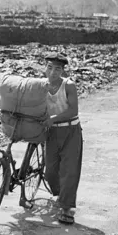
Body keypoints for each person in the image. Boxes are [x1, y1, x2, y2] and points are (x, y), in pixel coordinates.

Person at [42, 53, 82, 225]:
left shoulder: (68, 85)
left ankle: (67, 209)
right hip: (51, 133)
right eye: (50, 67)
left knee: (69, 170)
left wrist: (53, 119)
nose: (52, 72)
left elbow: (73, 111)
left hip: (71, 131)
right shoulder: (40, 85)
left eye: (57, 68)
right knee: (50, 172)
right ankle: (60, 196)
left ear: (63, 70)